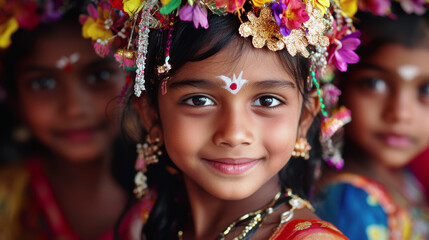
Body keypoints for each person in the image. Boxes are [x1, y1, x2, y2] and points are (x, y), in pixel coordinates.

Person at [83, 0, 361, 239]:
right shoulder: (145, 222)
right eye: (199, 100)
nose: (234, 133)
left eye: (267, 101)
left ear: (304, 119)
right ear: (151, 115)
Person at [0, 1, 146, 239]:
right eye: (42, 83)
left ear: (133, 82)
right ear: (15, 99)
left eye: (99, 76)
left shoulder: (177, 196)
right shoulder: (6, 198)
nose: (75, 109)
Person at [314, 2, 429, 239]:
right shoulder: (350, 201)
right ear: (338, 85)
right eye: (374, 84)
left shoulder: (403, 176)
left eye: (426, 90)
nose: (400, 113)